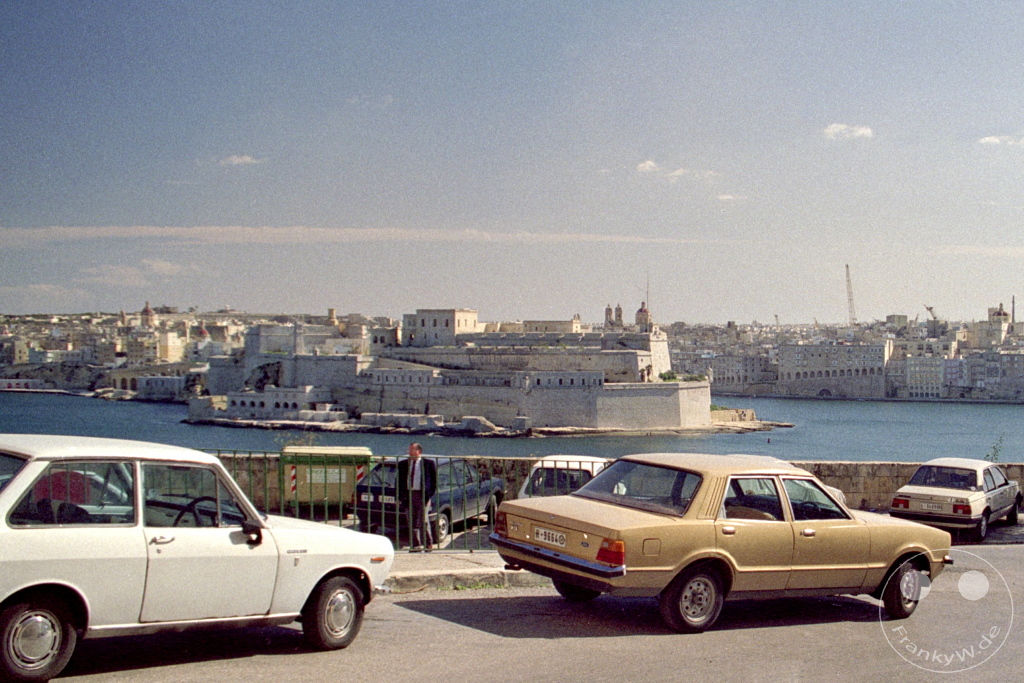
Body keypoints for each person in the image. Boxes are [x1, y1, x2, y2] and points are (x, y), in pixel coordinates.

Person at [406, 442, 437, 552]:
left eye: (412, 450)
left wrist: (428, 494)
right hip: (409, 494)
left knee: (423, 520)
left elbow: (434, 481)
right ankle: (416, 545)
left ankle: (428, 543)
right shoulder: (404, 464)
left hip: (422, 494)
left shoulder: (428, 463)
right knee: (412, 520)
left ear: (419, 452)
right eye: (409, 450)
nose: (410, 452)